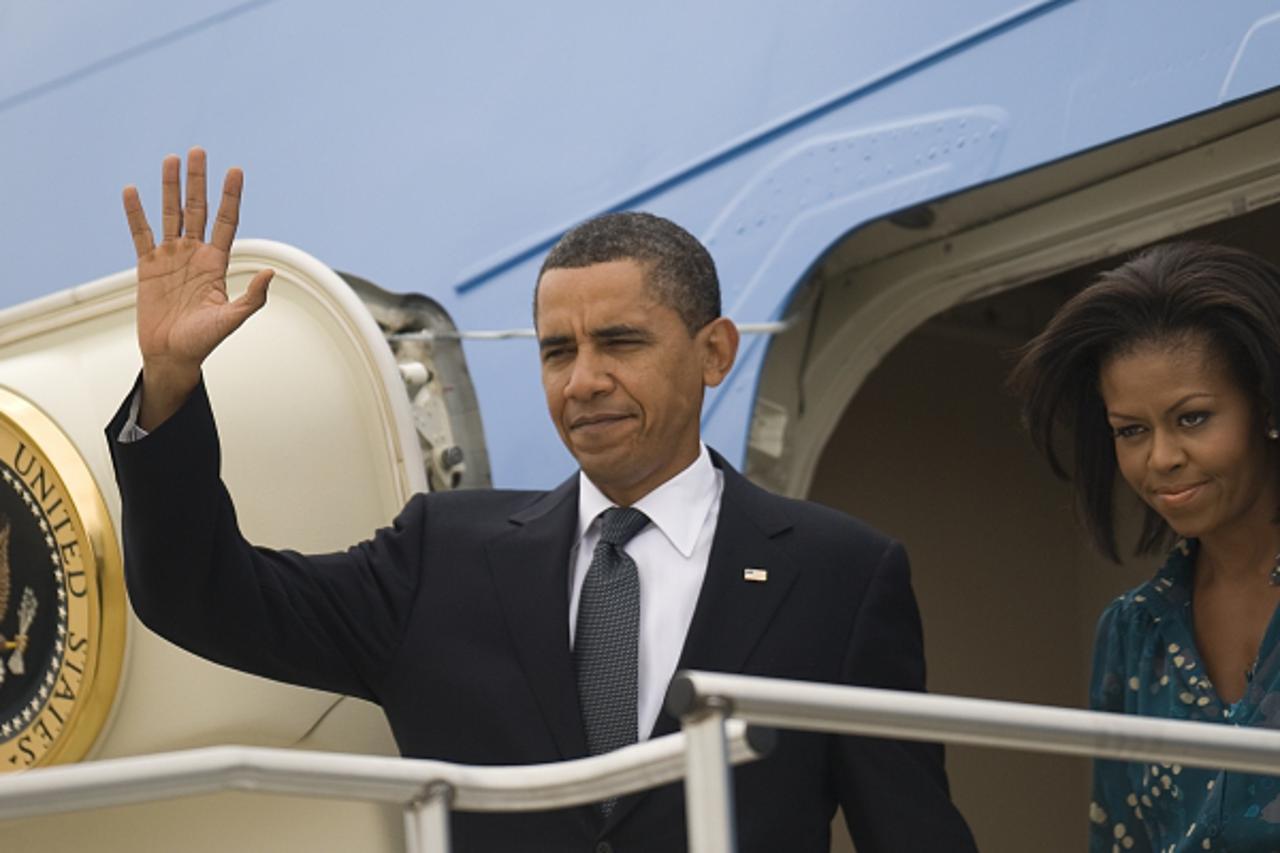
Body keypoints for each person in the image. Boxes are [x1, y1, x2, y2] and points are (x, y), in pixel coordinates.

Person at [108, 148, 977, 852]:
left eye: (621, 342)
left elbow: (910, 830)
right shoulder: (437, 557)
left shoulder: (839, 574)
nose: (585, 380)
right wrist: (171, 382)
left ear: (714, 352)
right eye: (558, 351)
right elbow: (201, 593)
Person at [1010, 242, 1280, 852]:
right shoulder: (1132, 631)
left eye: (1192, 418)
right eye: (1131, 431)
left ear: (1264, 405)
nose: (1160, 459)